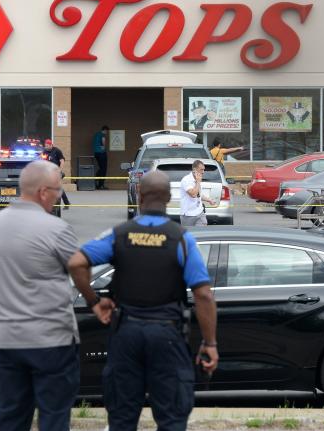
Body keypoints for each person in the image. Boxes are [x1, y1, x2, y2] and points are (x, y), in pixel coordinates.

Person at [68, 170, 218, 431]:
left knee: (123, 418)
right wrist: (210, 342)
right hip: (167, 336)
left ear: (139, 194)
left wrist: (94, 301)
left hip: (126, 334)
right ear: (169, 197)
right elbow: (203, 294)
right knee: (171, 418)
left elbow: (76, 262)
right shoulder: (182, 239)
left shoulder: (119, 234)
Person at [0, 160, 80, 431]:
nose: (59, 195)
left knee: (10, 416)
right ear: (43, 192)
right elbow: (78, 268)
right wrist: (94, 301)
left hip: (7, 341)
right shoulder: (55, 229)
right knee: (54, 417)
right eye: (58, 190)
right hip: (51, 340)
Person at [180, 159, 216, 227]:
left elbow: (198, 195)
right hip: (188, 214)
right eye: (201, 169)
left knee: (203, 233)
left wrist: (209, 200)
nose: (203, 172)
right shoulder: (186, 180)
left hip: (199, 212)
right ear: (194, 169)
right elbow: (193, 194)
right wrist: (198, 182)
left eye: (204, 170)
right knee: (188, 235)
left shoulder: (197, 179)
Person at [44, 138, 71, 209]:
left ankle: (65, 203)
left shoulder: (57, 151)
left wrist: (60, 170)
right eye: (45, 146)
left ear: (51, 145)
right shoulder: (44, 151)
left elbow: (62, 161)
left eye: (47, 146)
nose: (46, 147)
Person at [92, 125, 109, 189]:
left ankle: (96, 180)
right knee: (104, 169)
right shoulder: (102, 135)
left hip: (96, 153)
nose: (107, 133)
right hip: (102, 153)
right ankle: (101, 185)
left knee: (101, 168)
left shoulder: (96, 134)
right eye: (107, 132)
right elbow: (103, 141)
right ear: (105, 130)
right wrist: (104, 147)